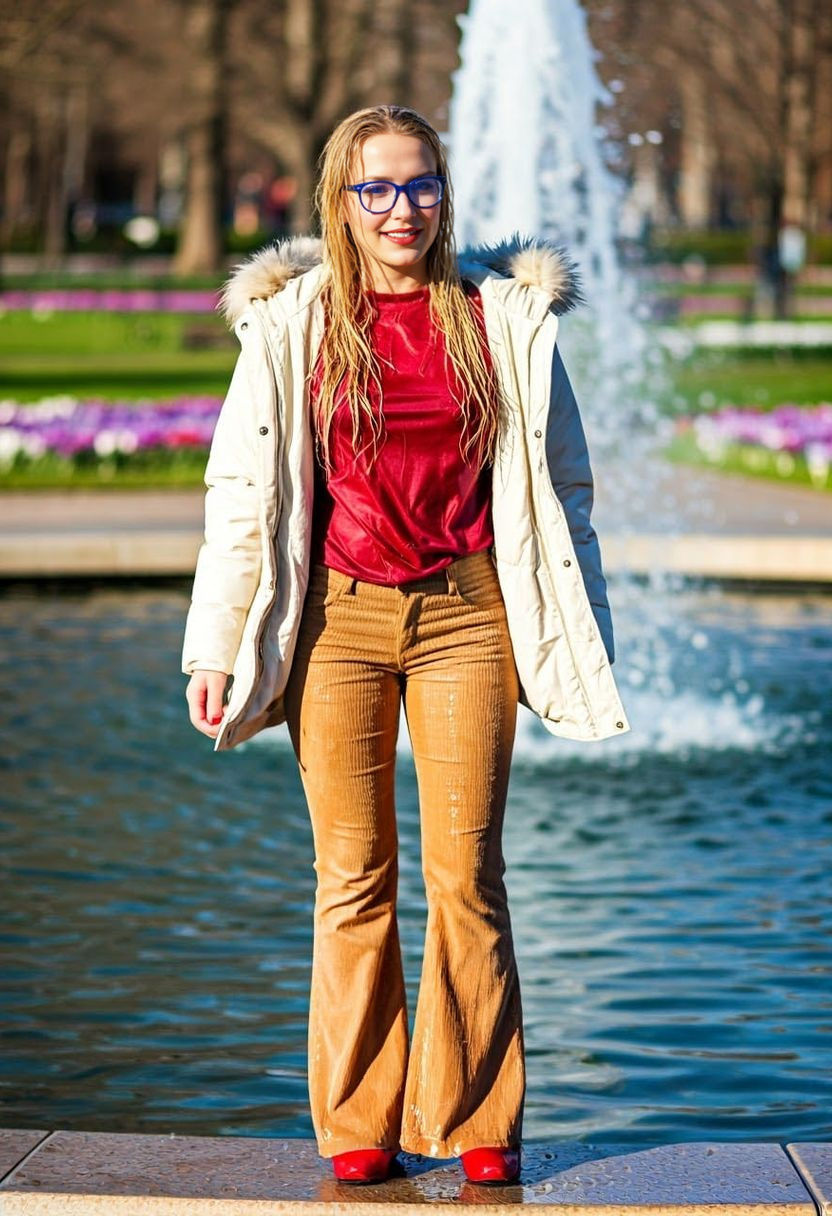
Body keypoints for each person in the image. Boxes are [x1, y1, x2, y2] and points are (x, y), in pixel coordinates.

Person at [182, 104, 630, 1186]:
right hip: (335, 621)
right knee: (353, 876)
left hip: (467, 614)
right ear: (340, 200)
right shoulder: (295, 323)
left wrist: (581, 632)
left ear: (443, 192)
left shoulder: (500, 317)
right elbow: (243, 496)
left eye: (420, 183)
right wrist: (214, 643)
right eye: (376, 187)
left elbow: (565, 488)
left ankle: (477, 1117)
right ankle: (357, 1123)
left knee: (468, 871)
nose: (402, 207)